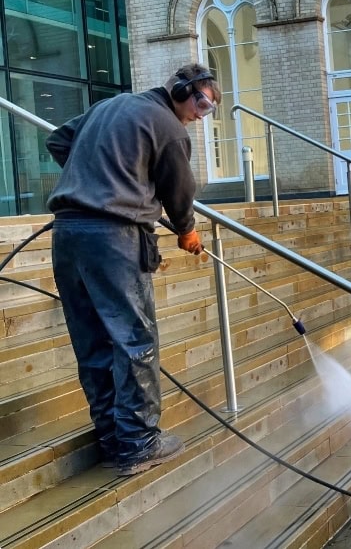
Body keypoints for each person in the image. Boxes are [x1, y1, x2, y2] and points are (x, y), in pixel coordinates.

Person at [46, 63, 221, 476]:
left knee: (92, 342)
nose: (200, 115)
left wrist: (97, 178)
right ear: (182, 92)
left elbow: (58, 141)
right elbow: (180, 194)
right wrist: (187, 231)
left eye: (208, 110)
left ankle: (113, 438)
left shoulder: (110, 105)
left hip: (68, 233)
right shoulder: (169, 128)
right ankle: (139, 442)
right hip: (114, 238)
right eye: (202, 105)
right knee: (134, 339)